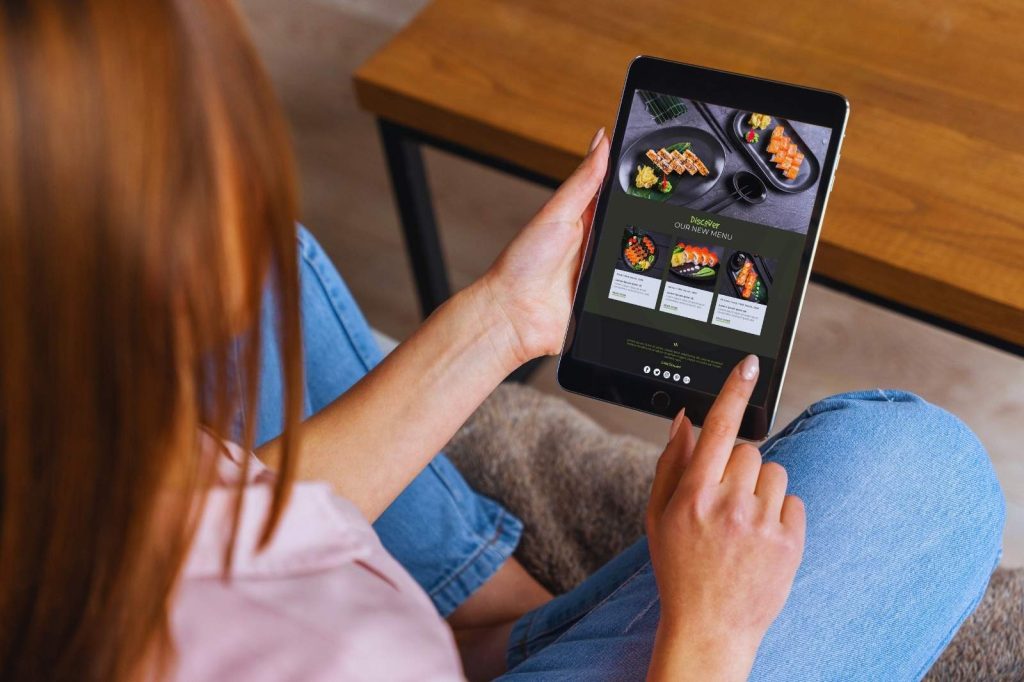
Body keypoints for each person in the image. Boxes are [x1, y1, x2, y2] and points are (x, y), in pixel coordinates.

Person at [0, 1, 1004, 680]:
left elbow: (208, 539)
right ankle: (500, 627)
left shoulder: (79, 495)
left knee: (259, 279)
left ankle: (489, 614)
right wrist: (708, 631)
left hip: (390, 638)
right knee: (920, 474)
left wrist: (506, 316)